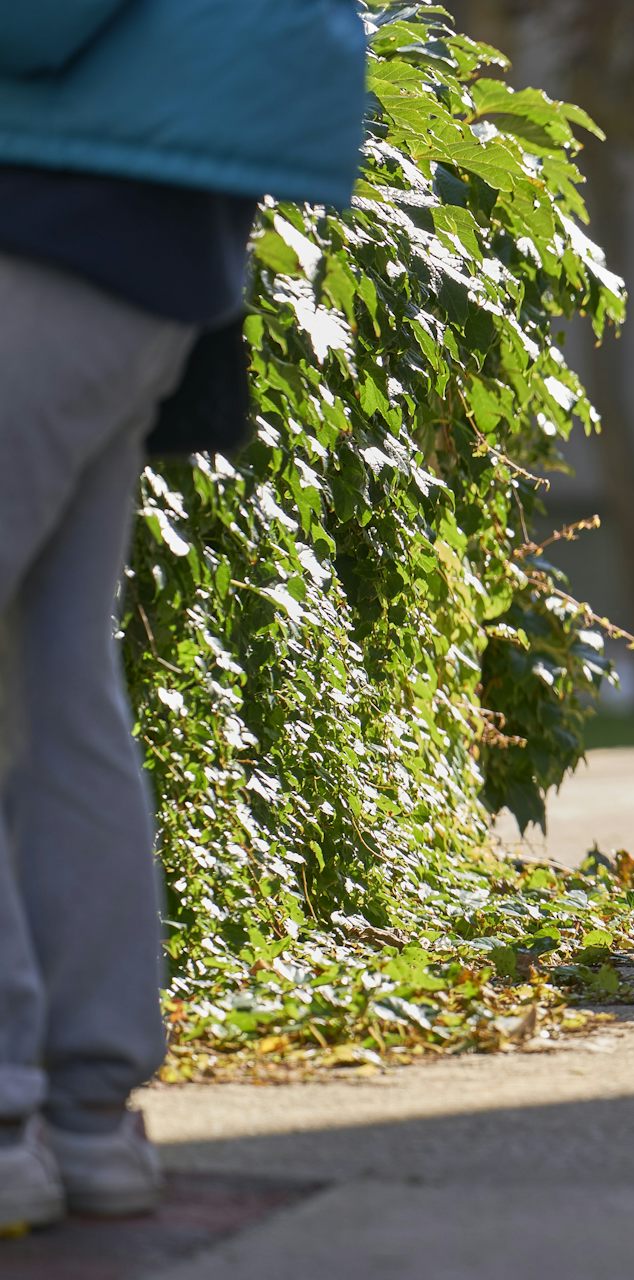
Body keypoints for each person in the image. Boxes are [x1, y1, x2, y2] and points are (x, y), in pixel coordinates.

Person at [0, 1, 367, 1233]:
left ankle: (17, 1115)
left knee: (56, 674)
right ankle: (82, 1119)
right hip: (139, 222)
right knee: (58, 674)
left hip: (49, 204)